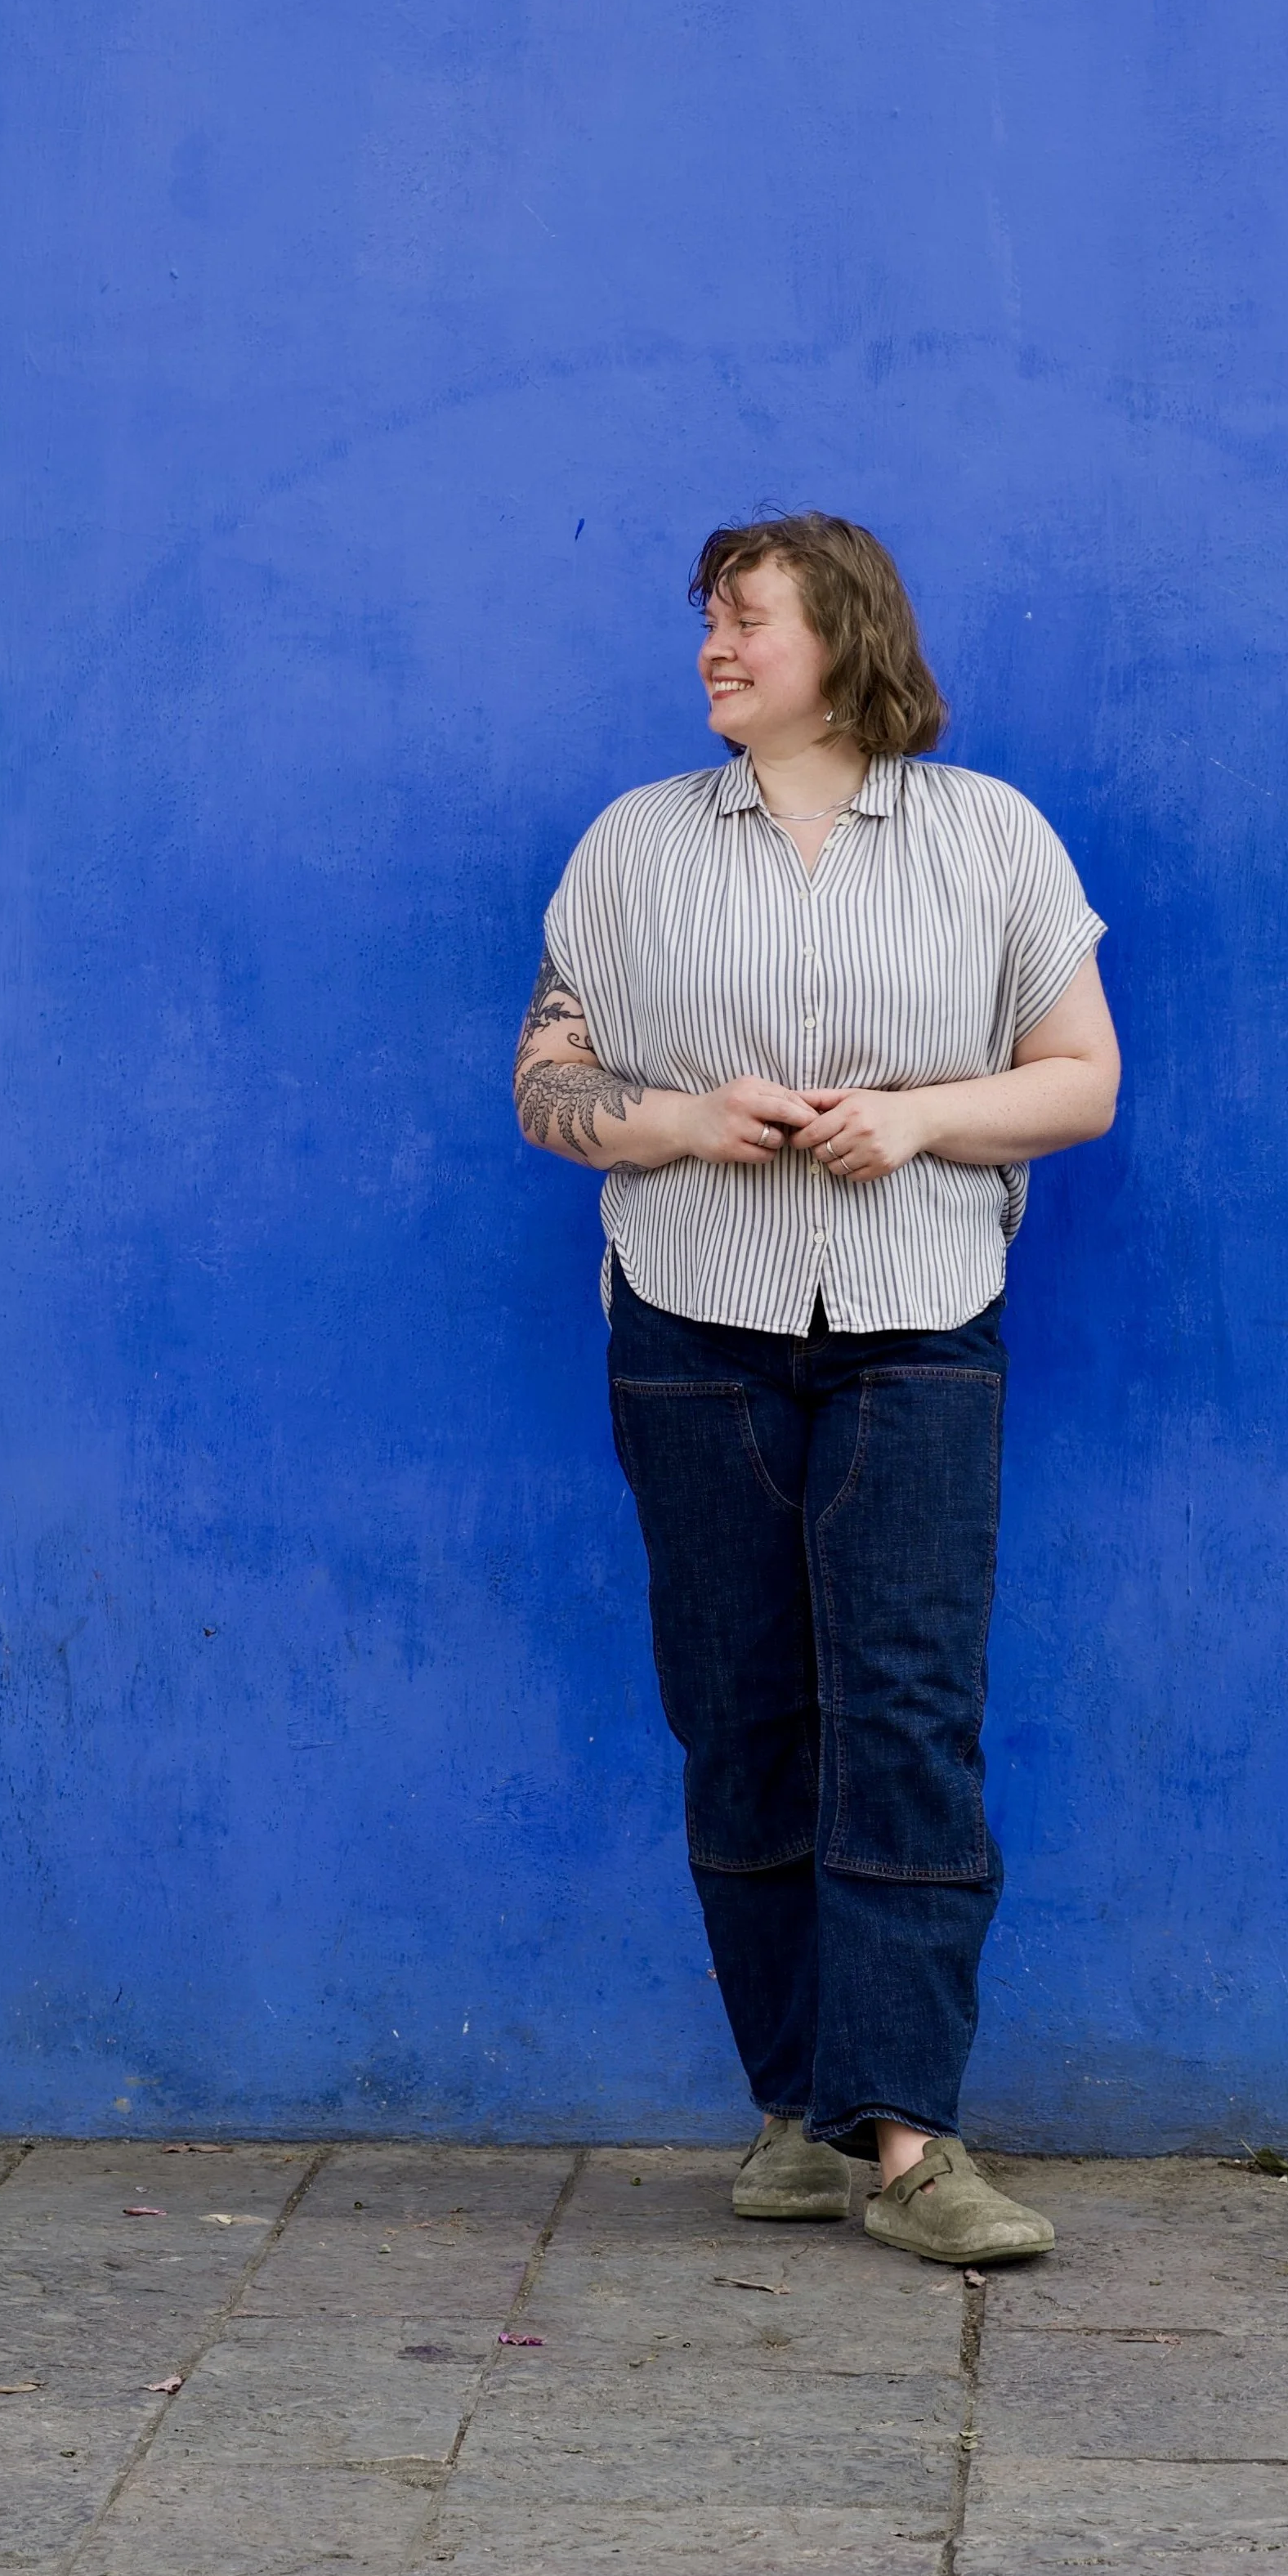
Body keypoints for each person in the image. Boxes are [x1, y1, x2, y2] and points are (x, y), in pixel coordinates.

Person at [516, 513, 1117, 2265]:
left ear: (843, 638)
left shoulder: (987, 833)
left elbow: (1079, 1079)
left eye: (746, 619)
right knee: (741, 1712)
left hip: (918, 1319)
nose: (712, 647)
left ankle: (911, 2141)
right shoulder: (632, 845)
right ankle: (795, 2110)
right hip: (689, 1324)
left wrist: (916, 1119)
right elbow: (546, 1079)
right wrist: (683, 1119)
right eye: (704, 621)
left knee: (907, 1711)